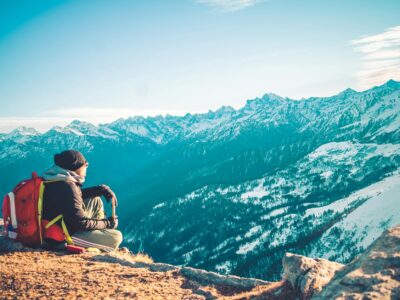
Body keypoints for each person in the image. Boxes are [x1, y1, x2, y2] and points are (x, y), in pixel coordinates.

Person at [42, 149, 123, 251]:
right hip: (64, 236)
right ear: (74, 167)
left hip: (55, 226)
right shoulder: (67, 186)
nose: (86, 169)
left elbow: (74, 197)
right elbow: (80, 223)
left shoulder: (55, 179)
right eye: (85, 166)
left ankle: (97, 236)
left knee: (95, 200)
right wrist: (107, 223)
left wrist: (101, 189)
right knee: (116, 237)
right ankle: (99, 244)